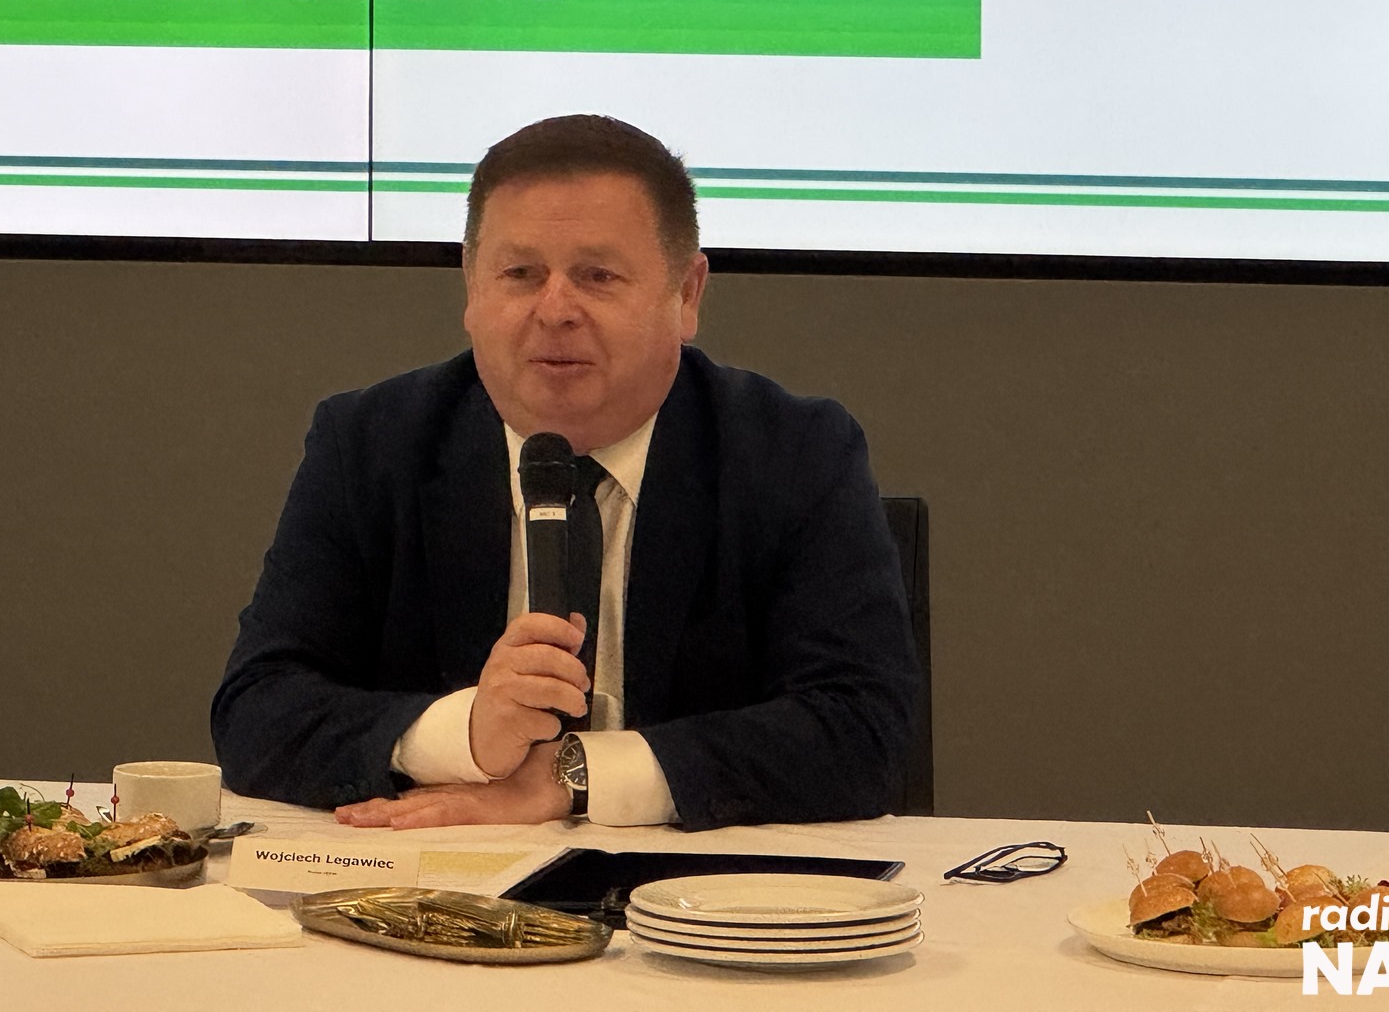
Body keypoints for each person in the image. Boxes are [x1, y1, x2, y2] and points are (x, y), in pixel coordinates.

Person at [211, 114, 918, 830]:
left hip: (700, 882)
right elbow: (257, 708)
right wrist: (464, 734)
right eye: (520, 275)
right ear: (472, 287)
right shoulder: (370, 445)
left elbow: (861, 732)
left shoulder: (795, 453)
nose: (554, 310)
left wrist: (574, 776)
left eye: (597, 276)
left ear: (687, 295)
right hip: (443, 877)